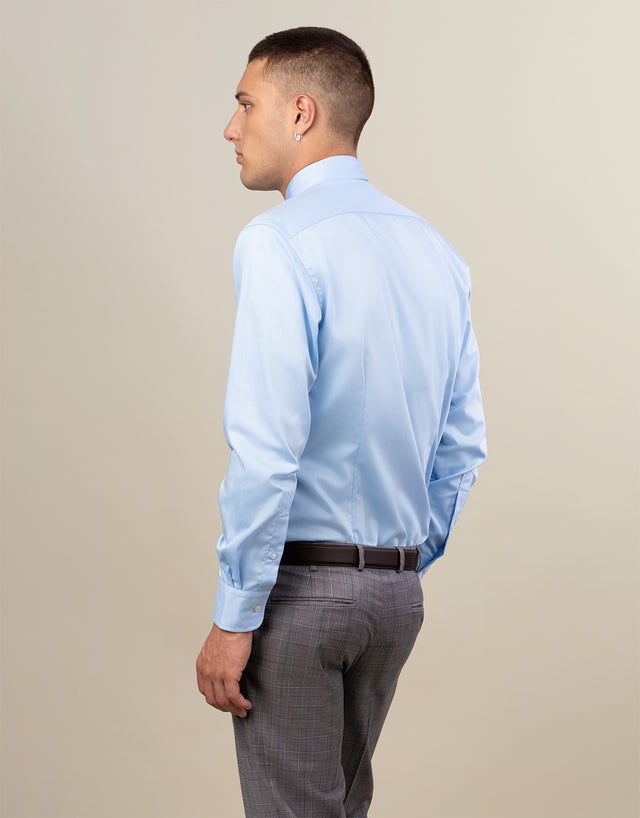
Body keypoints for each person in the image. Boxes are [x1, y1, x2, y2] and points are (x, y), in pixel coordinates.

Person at [196, 26, 486, 818]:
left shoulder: (279, 242)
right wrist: (393, 567)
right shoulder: (438, 253)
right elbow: (463, 448)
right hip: (394, 597)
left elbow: (266, 450)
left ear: (300, 113)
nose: (230, 127)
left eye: (245, 104)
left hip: (299, 594)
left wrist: (235, 615)